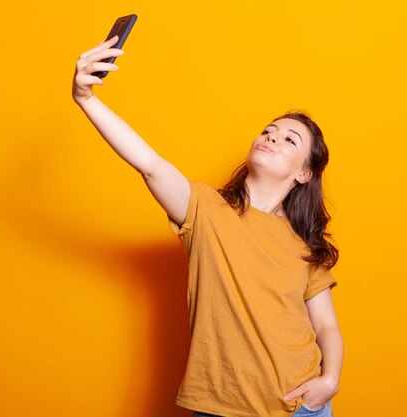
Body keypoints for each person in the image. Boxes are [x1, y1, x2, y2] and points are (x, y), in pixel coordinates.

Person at [72, 35, 344, 417]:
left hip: (301, 407)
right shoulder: (205, 208)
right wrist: (86, 98)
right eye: (268, 130)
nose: (271, 136)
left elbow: (326, 326)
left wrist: (330, 379)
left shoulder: (305, 245)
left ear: (304, 172)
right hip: (221, 407)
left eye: (288, 138)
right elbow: (148, 163)